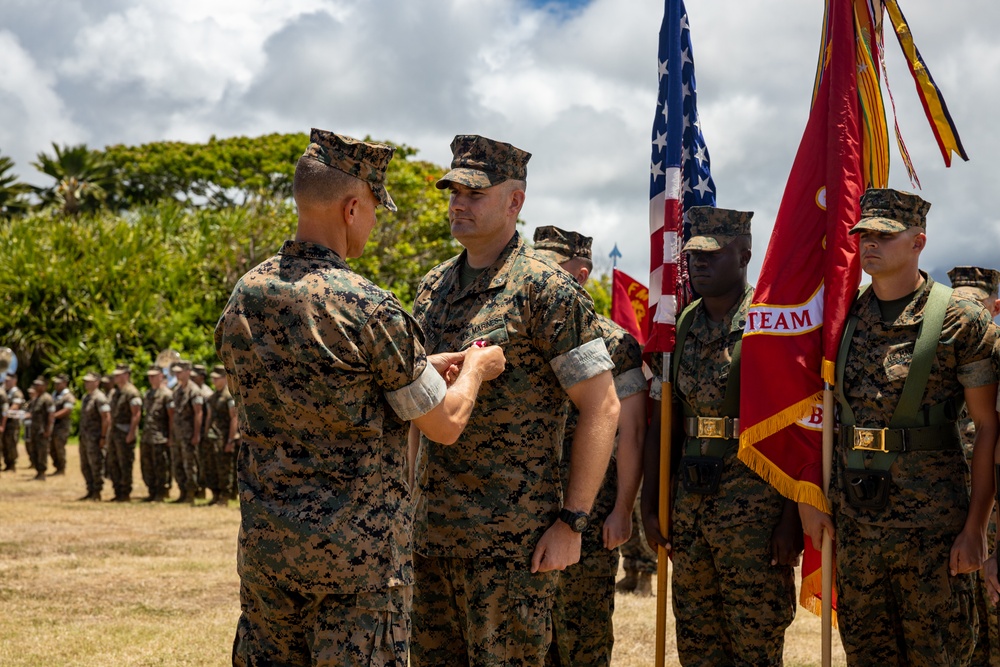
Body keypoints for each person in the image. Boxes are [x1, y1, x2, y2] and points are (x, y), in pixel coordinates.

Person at [216, 128, 505, 667]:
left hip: (268, 555)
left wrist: (420, 368)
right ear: (352, 208)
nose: (374, 222)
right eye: (375, 208)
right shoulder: (369, 309)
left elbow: (314, 384)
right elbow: (443, 423)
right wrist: (476, 371)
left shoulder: (246, 295)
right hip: (358, 571)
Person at [409, 135, 620, 666]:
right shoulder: (432, 288)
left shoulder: (545, 290)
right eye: (453, 191)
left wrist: (572, 522)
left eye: (475, 193)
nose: (459, 204)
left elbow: (602, 405)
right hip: (430, 534)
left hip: (512, 545)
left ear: (515, 202)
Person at [800, 189, 999, 665]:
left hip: (933, 534)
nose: (870, 243)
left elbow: (988, 429)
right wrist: (809, 497)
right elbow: (815, 414)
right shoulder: (839, 317)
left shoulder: (960, 320)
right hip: (858, 529)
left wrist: (976, 530)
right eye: (864, 234)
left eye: (885, 236)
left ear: (918, 242)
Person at [640, 207, 800, 666]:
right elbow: (663, 424)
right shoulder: (681, 325)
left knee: (755, 645)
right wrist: (651, 506)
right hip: (691, 508)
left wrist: (790, 518)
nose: (699, 263)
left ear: (745, 254)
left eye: (713, 253)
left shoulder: (771, 324)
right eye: (693, 255)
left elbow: (794, 427)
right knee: (696, 642)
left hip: (755, 511)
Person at [532, 226, 647, 667]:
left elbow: (632, 434)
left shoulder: (617, 344)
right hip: (527, 506)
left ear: (581, 274)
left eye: (551, 266)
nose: (538, 273)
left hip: (589, 514)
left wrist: (622, 510)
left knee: (584, 635)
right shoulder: (524, 330)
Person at [948, 265, 1000, 667]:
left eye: (975, 302)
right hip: (951, 517)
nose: (964, 307)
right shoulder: (942, 360)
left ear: (994, 308)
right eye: (958, 298)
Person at [168, 360, 203, 504]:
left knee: (190, 464)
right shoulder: (177, 390)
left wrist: (196, 434)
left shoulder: (194, 390)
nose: (177, 374)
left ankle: (191, 493)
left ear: (188, 372)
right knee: (177, 463)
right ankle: (182, 491)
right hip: (177, 434)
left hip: (188, 434)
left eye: (180, 372)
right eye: (175, 372)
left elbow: (198, 413)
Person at [107, 364, 142, 502]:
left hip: (125, 432)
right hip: (115, 433)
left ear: (127, 375)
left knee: (125, 463)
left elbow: (136, 414)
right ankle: (117, 491)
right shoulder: (115, 392)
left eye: (119, 374)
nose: (116, 377)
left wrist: (131, 433)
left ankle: (125, 492)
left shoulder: (131, 392)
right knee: (113, 462)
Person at [205, 365, 239, 504]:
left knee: (224, 467)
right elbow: (209, 417)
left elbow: (234, 418)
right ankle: (215, 495)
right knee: (212, 466)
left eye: (216, 378)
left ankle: (225, 496)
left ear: (225, 378)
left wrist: (230, 440)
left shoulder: (228, 396)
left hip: (224, 437)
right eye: (212, 378)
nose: (214, 380)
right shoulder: (213, 397)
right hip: (213, 438)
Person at [140, 365, 173, 502]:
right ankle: (151, 491)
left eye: (154, 376)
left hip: (161, 437)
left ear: (161, 376)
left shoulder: (167, 394)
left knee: (161, 466)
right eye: (149, 376)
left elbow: (171, 417)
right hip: (147, 436)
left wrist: (170, 436)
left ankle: (161, 492)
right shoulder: (148, 394)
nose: (151, 378)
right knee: (147, 466)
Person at [77, 372, 111, 501]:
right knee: (85, 465)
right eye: (86, 381)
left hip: (95, 438)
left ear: (97, 382)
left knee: (96, 464)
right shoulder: (87, 397)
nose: (87, 383)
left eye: (90, 381)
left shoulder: (100, 398)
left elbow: (106, 418)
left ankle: (97, 491)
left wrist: (103, 437)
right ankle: (90, 489)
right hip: (85, 437)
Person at [192, 363, 215, 500]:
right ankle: (198, 489)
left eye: (195, 376)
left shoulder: (207, 393)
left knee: (205, 462)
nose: (193, 379)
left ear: (201, 377)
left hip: (205, 433)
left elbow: (209, 415)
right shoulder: (195, 390)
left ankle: (204, 489)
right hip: (197, 431)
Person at [49, 373, 76, 476]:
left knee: (59, 447)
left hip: (62, 426)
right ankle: (57, 467)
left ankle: (61, 468)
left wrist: (53, 416)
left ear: (65, 383)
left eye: (58, 383)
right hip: (53, 426)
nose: (56, 384)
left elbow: (67, 410)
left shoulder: (68, 396)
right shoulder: (54, 394)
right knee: (52, 448)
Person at [29, 377, 55, 481]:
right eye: (35, 384)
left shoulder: (47, 398)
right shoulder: (36, 398)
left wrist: (48, 430)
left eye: (39, 384)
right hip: (34, 430)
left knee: (42, 452)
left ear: (45, 386)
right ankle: (38, 471)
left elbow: (51, 415)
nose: (36, 386)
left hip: (42, 430)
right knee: (34, 451)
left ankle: (42, 472)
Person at [1, 374, 24, 471]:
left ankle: (12, 465)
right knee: (3, 444)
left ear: (15, 381)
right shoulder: (5, 392)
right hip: (4, 421)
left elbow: (15, 406)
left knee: (11, 444)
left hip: (12, 423)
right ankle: (7, 464)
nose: (6, 382)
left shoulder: (16, 393)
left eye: (8, 380)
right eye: (5, 380)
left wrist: (4, 414)